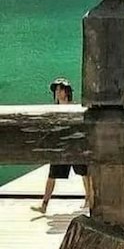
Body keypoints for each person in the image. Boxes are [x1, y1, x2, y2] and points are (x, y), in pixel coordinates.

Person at [33, 79, 93, 215]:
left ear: (66, 92)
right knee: (51, 176)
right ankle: (44, 205)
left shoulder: (75, 108)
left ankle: (89, 199)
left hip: (76, 147)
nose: (57, 92)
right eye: (56, 90)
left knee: (85, 174)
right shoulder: (55, 110)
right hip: (60, 148)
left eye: (59, 89)